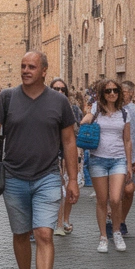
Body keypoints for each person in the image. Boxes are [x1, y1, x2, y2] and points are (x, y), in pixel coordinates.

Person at [0, 51, 80, 269]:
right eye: (23, 66)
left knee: (44, 233)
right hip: (13, 177)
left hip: (47, 176)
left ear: (44, 70)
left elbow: (69, 141)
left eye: (31, 66)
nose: (26, 70)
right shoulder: (7, 98)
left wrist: (72, 179)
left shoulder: (59, 102)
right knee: (21, 233)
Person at [80, 79, 133, 252]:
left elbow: (127, 140)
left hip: (118, 160)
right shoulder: (96, 110)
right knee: (102, 200)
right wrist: (86, 118)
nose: (112, 94)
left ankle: (116, 232)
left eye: (115, 91)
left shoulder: (124, 113)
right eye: (108, 91)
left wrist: (129, 165)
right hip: (98, 159)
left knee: (116, 199)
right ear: (102, 93)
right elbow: (84, 122)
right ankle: (103, 236)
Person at [117, 81, 135, 237]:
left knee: (128, 191)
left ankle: (121, 220)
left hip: (131, 156)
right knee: (115, 193)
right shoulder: (111, 109)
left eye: (124, 91)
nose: (121, 94)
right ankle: (113, 220)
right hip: (113, 155)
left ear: (132, 93)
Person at [51, 79, 81, 236]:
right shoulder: (44, 108)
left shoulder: (74, 109)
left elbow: (76, 133)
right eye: (56, 89)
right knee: (58, 190)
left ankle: (65, 219)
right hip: (51, 154)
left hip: (68, 153)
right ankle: (58, 223)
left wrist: (78, 153)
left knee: (70, 187)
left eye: (63, 89)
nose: (60, 92)